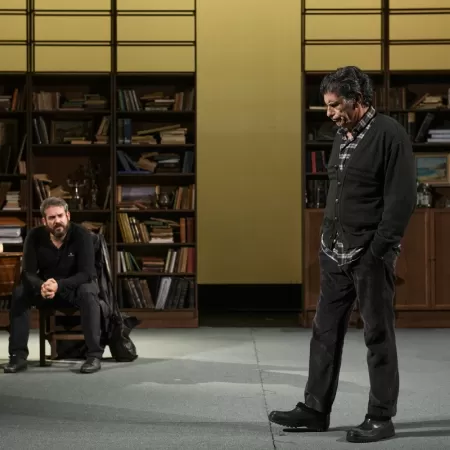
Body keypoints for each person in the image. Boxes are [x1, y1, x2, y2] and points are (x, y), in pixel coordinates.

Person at [269, 66, 417, 443]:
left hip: (370, 255)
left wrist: (379, 249)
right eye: (327, 105)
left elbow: (401, 200)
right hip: (334, 252)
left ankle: (381, 417)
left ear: (358, 100)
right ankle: (315, 409)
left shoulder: (390, 135)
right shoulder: (341, 136)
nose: (330, 112)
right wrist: (326, 240)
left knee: (377, 335)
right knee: (324, 331)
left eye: (335, 105)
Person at [4, 197, 103, 374]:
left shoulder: (82, 235)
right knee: (20, 292)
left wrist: (59, 285)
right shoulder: (34, 236)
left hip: (74, 289)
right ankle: (17, 356)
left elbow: (87, 274)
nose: (57, 221)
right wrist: (42, 286)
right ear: (44, 221)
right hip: (46, 290)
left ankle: (94, 356)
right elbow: (28, 272)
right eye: (52, 218)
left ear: (67, 216)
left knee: (88, 291)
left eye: (60, 216)